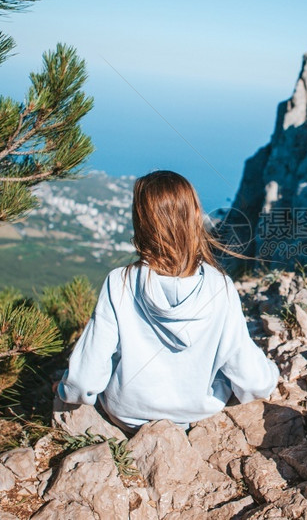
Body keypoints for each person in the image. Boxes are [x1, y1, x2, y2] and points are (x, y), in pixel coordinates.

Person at [56, 170, 279, 431]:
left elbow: (84, 379)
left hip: (126, 415)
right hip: (193, 414)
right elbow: (253, 381)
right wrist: (272, 373)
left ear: (142, 223)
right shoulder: (220, 287)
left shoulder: (120, 282)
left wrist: (64, 391)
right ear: (194, 217)